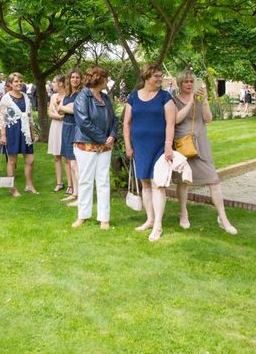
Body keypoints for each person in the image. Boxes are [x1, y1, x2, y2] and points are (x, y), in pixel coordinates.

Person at [172, 70, 237, 234]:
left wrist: (205, 100)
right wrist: (190, 103)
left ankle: (223, 218)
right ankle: (183, 213)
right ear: (180, 84)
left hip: (201, 143)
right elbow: (176, 119)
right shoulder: (174, 100)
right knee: (183, 181)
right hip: (183, 144)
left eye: (191, 81)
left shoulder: (201, 99)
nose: (189, 84)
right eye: (185, 82)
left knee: (213, 180)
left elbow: (208, 119)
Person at [123, 62, 176, 241]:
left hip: (159, 147)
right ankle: (150, 220)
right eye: (156, 76)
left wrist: (168, 145)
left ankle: (158, 225)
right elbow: (126, 123)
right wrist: (128, 146)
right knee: (145, 183)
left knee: (157, 184)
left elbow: (170, 123)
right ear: (147, 77)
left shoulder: (165, 97)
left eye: (161, 76)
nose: (160, 79)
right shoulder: (133, 97)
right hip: (140, 146)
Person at [71, 66, 117, 230]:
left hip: (105, 146)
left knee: (103, 181)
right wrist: (104, 139)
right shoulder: (82, 96)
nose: (107, 81)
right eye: (106, 78)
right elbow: (84, 122)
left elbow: (114, 119)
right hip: (86, 145)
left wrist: (112, 135)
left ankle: (104, 218)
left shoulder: (105, 97)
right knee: (86, 181)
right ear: (100, 80)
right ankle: (83, 215)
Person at [0, 72, 37, 197]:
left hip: (25, 131)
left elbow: (30, 116)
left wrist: (32, 132)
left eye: (20, 81)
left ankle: (29, 185)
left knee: (30, 159)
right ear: (10, 83)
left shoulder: (26, 97)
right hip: (12, 131)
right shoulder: (6, 98)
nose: (19, 83)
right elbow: (2, 118)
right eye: (16, 81)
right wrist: (3, 136)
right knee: (12, 161)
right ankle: (12, 187)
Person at [59, 68, 82, 205]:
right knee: (69, 161)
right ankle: (75, 192)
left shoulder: (81, 94)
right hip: (66, 128)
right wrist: (64, 107)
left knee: (75, 164)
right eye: (72, 77)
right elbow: (59, 108)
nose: (75, 80)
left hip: (75, 129)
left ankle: (81, 197)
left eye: (77, 77)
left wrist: (63, 107)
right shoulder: (68, 93)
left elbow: (75, 110)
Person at [47, 74, 70, 193]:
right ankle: (59, 183)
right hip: (55, 126)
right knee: (56, 156)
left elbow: (66, 111)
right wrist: (59, 117)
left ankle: (71, 185)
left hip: (66, 127)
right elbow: (50, 112)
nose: (52, 84)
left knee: (67, 157)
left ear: (61, 83)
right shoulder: (53, 96)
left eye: (54, 82)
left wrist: (61, 115)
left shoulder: (68, 96)